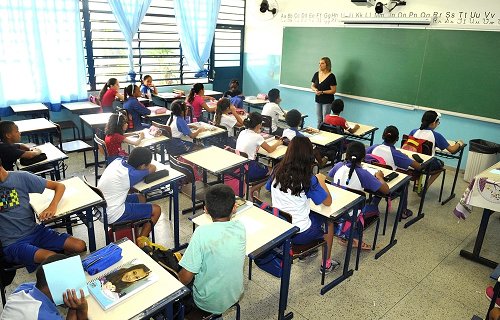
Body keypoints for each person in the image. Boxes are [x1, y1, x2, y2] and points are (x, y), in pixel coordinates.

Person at [265, 136, 340, 274]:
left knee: (311, 213)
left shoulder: (277, 170)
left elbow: (268, 188)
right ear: (308, 155)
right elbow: (327, 202)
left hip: (281, 226)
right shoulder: (308, 177)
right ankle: (326, 265)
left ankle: (307, 253)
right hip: (299, 233)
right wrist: (321, 180)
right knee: (329, 222)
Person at [0, 158, 86, 272]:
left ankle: (41, 254)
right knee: (53, 259)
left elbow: (59, 186)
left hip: (35, 231)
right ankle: (44, 256)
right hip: (12, 243)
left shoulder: (21, 177)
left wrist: (52, 206)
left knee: (80, 245)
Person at [178, 184, 246, 315]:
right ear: (234, 208)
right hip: (235, 294)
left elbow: (186, 278)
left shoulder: (201, 233)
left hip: (206, 302)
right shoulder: (240, 227)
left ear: (206, 210)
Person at [328, 141, 389, 250]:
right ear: (364, 157)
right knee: (374, 207)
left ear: (346, 155)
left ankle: (348, 234)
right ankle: (354, 238)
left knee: (358, 202)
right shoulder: (363, 174)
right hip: (352, 213)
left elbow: (330, 174)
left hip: (336, 208)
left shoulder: (339, 165)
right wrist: (379, 177)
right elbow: (386, 190)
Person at [97, 147, 161, 238]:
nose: (149, 165)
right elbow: (153, 168)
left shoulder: (117, 161)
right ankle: (141, 240)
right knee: (156, 209)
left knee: (141, 197)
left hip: (102, 207)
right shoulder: (132, 174)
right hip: (113, 214)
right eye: (147, 165)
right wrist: (149, 167)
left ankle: (135, 229)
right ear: (142, 166)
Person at [0, 254, 88, 320]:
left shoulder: (23, 288)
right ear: (56, 288)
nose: (75, 292)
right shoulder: (46, 316)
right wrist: (82, 310)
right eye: (72, 287)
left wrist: (73, 307)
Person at [366, 125, 421, 219]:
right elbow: (418, 167)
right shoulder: (396, 153)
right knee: (405, 181)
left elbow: (361, 156)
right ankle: (403, 211)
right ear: (397, 139)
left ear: (382, 136)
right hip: (388, 185)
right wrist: (406, 157)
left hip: (371, 180)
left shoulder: (374, 147)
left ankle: (374, 202)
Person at [409, 110, 464, 188]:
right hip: (426, 165)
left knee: (419, 154)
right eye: (438, 123)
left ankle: (417, 183)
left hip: (412, 162)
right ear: (434, 123)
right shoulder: (436, 136)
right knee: (440, 165)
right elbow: (452, 150)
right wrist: (459, 143)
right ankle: (425, 187)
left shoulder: (414, 131)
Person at [236, 112, 283, 197]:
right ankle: (252, 190)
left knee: (261, 166)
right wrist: (278, 143)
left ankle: (256, 192)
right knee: (274, 171)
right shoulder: (257, 137)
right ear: (258, 125)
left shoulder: (242, 132)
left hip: (239, 165)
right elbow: (270, 149)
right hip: (250, 167)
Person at [311, 57, 337, 128]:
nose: (320, 65)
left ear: (327, 65)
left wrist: (322, 92)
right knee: (319, 119)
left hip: (327, 101)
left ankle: (325, 135)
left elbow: (333, 90)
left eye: (322, 63)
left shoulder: (331, 76)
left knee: (325, 120)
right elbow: (312, 86)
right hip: (318, 100)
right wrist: (315, 90)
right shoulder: (316, 74)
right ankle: (318, 135)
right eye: (319, 63)